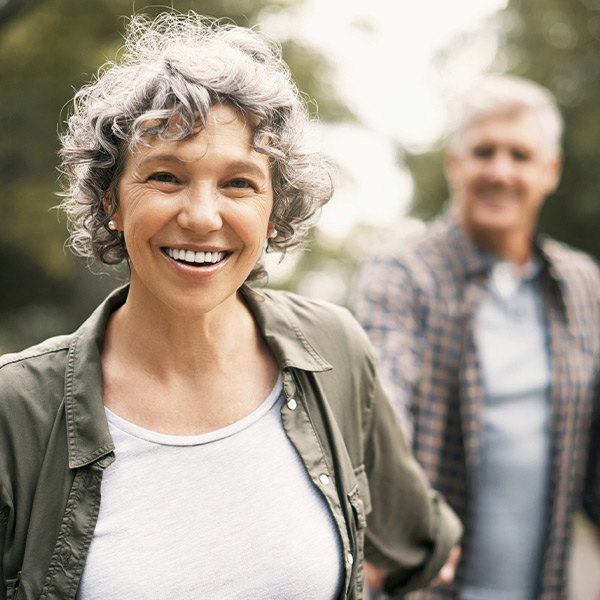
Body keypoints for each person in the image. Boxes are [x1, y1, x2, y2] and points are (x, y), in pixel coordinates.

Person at [0, 12, 462, 600]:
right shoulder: (16, 411)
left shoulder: (334, 350)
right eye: (165, 176)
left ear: (274, 212)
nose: (201, 216)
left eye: (239, 183)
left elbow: (423, 545)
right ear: (110, 200)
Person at [352, 74, 600, 600]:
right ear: (455, 164)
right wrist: (382, 517)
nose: (500, 171)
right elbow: (382, 400)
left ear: (550, 170)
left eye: (520, 155)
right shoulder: (402, 275)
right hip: (425, 587)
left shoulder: (582, 286)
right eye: (484, 152)